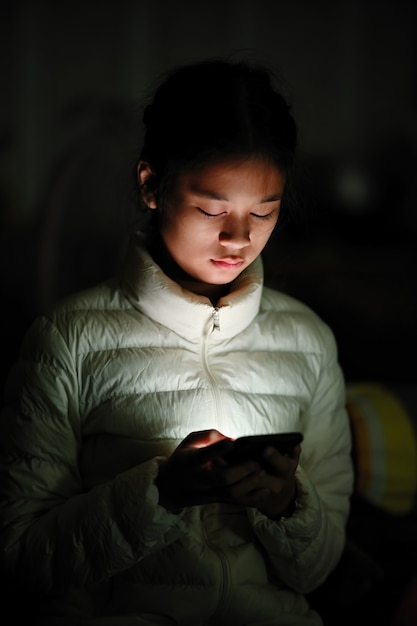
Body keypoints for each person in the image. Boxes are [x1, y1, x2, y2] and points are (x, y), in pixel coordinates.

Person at [0, 59, 353, 625]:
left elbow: (319, 571)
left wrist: (286, 504)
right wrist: (161, 493)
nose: (238, 238)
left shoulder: (308, 343)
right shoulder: (68, 340)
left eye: (264, 212)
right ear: (150, 185)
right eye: (212, 209)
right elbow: (23, 557)